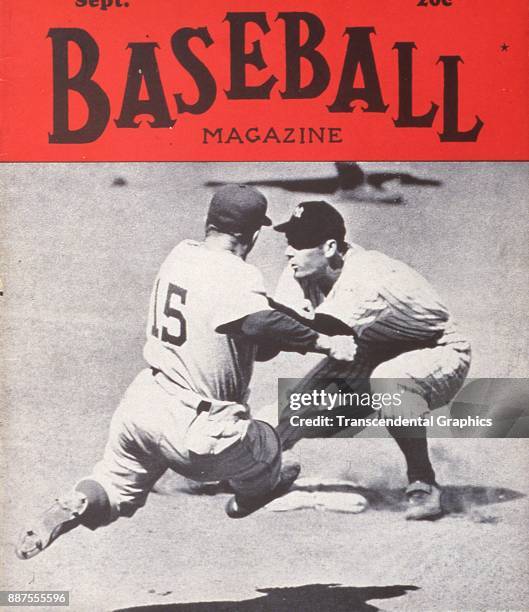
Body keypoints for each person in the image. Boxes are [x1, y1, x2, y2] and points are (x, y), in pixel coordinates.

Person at [16, 185, 357, 560]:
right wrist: (324, 342)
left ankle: (78, 501)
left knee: (113, 491)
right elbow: (260, 323)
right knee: (270, 446)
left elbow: (255, 320)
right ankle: (254, 493)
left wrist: (298, 328)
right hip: (201, 432)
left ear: (210, 224)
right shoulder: (236, 275)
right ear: (254, 234)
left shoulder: (180, 256)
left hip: (145, 406)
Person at [271, 200, 471, 520]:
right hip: (371, 347)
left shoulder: (365, 276)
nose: (288, 251)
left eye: (299, 243)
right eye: (289, 241)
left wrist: (257, 307)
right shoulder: (299, 267)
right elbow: (279, 332)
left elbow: (320, 333)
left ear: (330, 247)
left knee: (389, 380)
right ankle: (251, 467)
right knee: (296, 410)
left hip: (438, 352)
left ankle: (423, 482)